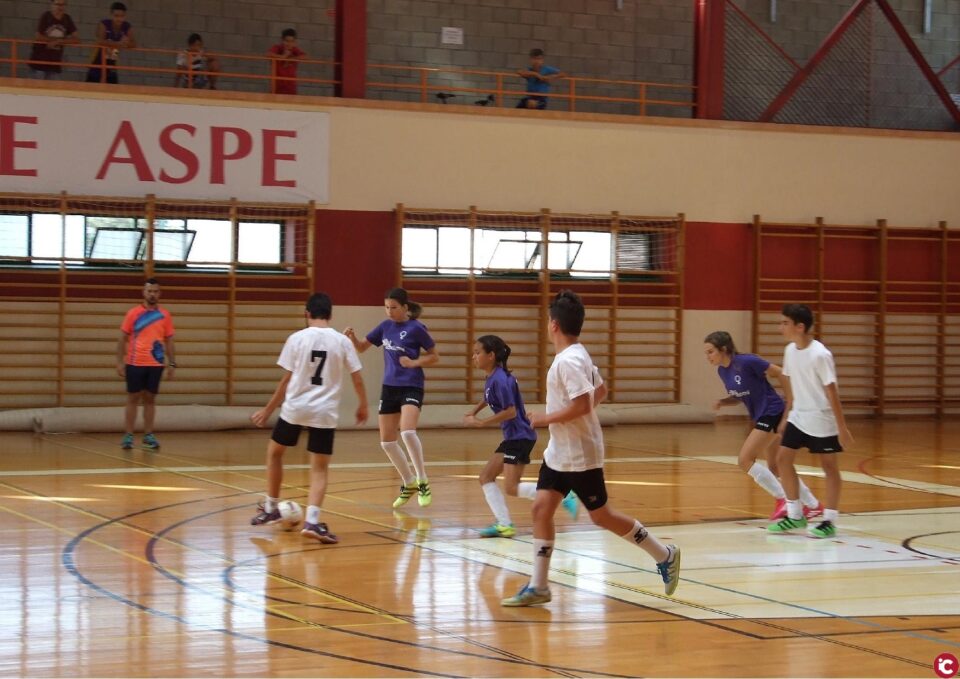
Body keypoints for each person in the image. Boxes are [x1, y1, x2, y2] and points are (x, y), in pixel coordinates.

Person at [502, 290, 680, 607]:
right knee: (540, 509)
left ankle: (664, 554)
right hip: (560, 451)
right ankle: (539, 586)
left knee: (602, 516)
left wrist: (547, 418)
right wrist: (564, 422)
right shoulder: (577, 354)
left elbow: (584, 403)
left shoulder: (568, 361)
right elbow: (601, 390)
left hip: (581, 455)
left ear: (553, 325)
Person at [249, 292, 368, 543]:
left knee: (275, 453)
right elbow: (357, 377)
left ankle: (271, 508)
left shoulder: (296, 339)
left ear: (307, 313)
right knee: (319, 468)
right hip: (324, 411)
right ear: (331, 315)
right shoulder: (341, 341)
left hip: (295, 407)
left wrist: (268, 410)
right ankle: (312, 521)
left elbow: (286, 380)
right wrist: (363, 405)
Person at [465, 335, 580, 538]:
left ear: (491, 356)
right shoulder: (493, 377)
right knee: (486, 477)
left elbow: (510, 412)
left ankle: (562, 494)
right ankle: (504, 524)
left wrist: (482, 422)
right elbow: (488, 397)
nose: (473, 357)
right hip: (513, 436)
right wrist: (473, 411)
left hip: (520, 436)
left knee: (511, 487)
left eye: (477, 353)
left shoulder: (500, 379)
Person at [705, 331, 822, 520]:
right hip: (764, 414)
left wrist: (790, 404)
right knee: (775, 466)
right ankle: (813, 505)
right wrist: (723, 401)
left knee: (745, 460)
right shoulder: (722, 371)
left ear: (723, 349)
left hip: (773, 411)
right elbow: (740, 394)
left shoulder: (747, 361)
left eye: (710, 352)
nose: (708, 357)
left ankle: (783, 498)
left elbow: (783, 374)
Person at [344, 288, 439, 509]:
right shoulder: (385, 326)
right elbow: (361, 348)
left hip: (412, 385)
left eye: (394, 307)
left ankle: (423, 480)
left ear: (405, 308)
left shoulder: (416, 328)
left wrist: (414, 363)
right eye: (386, 307)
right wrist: (352, 338)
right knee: (387, 442)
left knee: (407, 431)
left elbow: (435, 356)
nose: (389, 312)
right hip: (390, 387)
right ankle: (409, 483)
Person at [768, 304, 853, 538]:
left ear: (800, 326)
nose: (780, 327)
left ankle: (830, 519)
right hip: (799, 415)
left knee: (829, 466)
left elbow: (832, 392)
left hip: (821, 418)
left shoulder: (820, 354)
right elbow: (792, 387)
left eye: (785, 323)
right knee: (782, 459)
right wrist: (787, 415)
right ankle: (795, 514)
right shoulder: (789, 351)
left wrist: (842, 427)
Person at [116, 278, 175, 450]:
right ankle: (128, 435)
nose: (152, 294)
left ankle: (148, 435)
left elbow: (169, 341)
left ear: (159, 294)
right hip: (135, 363)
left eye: (156, 291)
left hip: (155, 364)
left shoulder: (165, 315)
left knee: (150, 399)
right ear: (144, 292)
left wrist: (172, 364)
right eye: (150, 291)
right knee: (133, 398)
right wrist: (119, 362)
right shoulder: (133, 314)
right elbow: (122, 339)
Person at [85, 1, 135, 84]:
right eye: (116, 16)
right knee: (91, 88)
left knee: (113, 89)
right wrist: (118, 44)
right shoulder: (104, 24)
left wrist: (126, 43)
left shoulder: (127, 26)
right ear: (111, 15)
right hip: (97, 62)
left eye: (122, 16)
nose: (119, 19)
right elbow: (100, 41)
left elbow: (134, 44)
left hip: (112, 62)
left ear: (125, 16)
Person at [28, 0, 78, 80]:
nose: (60, 7)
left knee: (54, 89)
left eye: (62, 5)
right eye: (57, 4)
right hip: (40, 61)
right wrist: (51, 41)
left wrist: (59, 41)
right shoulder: (46, 16)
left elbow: (76, 40)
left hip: (55, 63)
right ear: (52, 5)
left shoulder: (67, 19)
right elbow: (38, 36)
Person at [268, 28, 305, 95]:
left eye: (292, 41)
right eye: (287, 41)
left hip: (291, 88)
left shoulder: (295, 50)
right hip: (277, 88)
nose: (289, 44)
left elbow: (305, 56)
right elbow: (268, 54)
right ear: (282, 40)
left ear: (294, 42)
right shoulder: (277, 48)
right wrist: (282, 57)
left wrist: (293, 58)